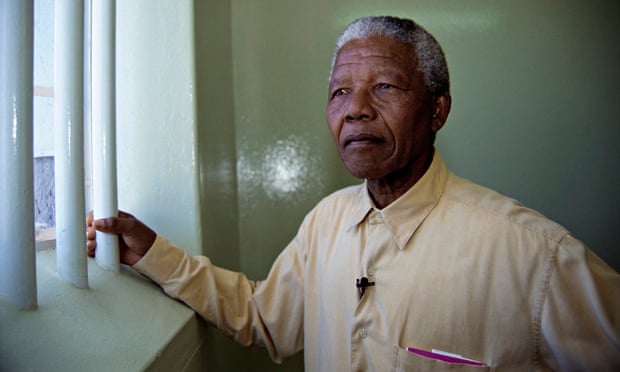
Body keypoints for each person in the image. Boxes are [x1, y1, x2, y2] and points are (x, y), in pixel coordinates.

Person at [87, 16, 620, 370]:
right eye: (341, 92)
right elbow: (264, 318)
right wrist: (154, 254)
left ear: (437, 109)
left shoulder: (533, 255)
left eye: (384, 87)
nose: (356, 109)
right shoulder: (325, 221)